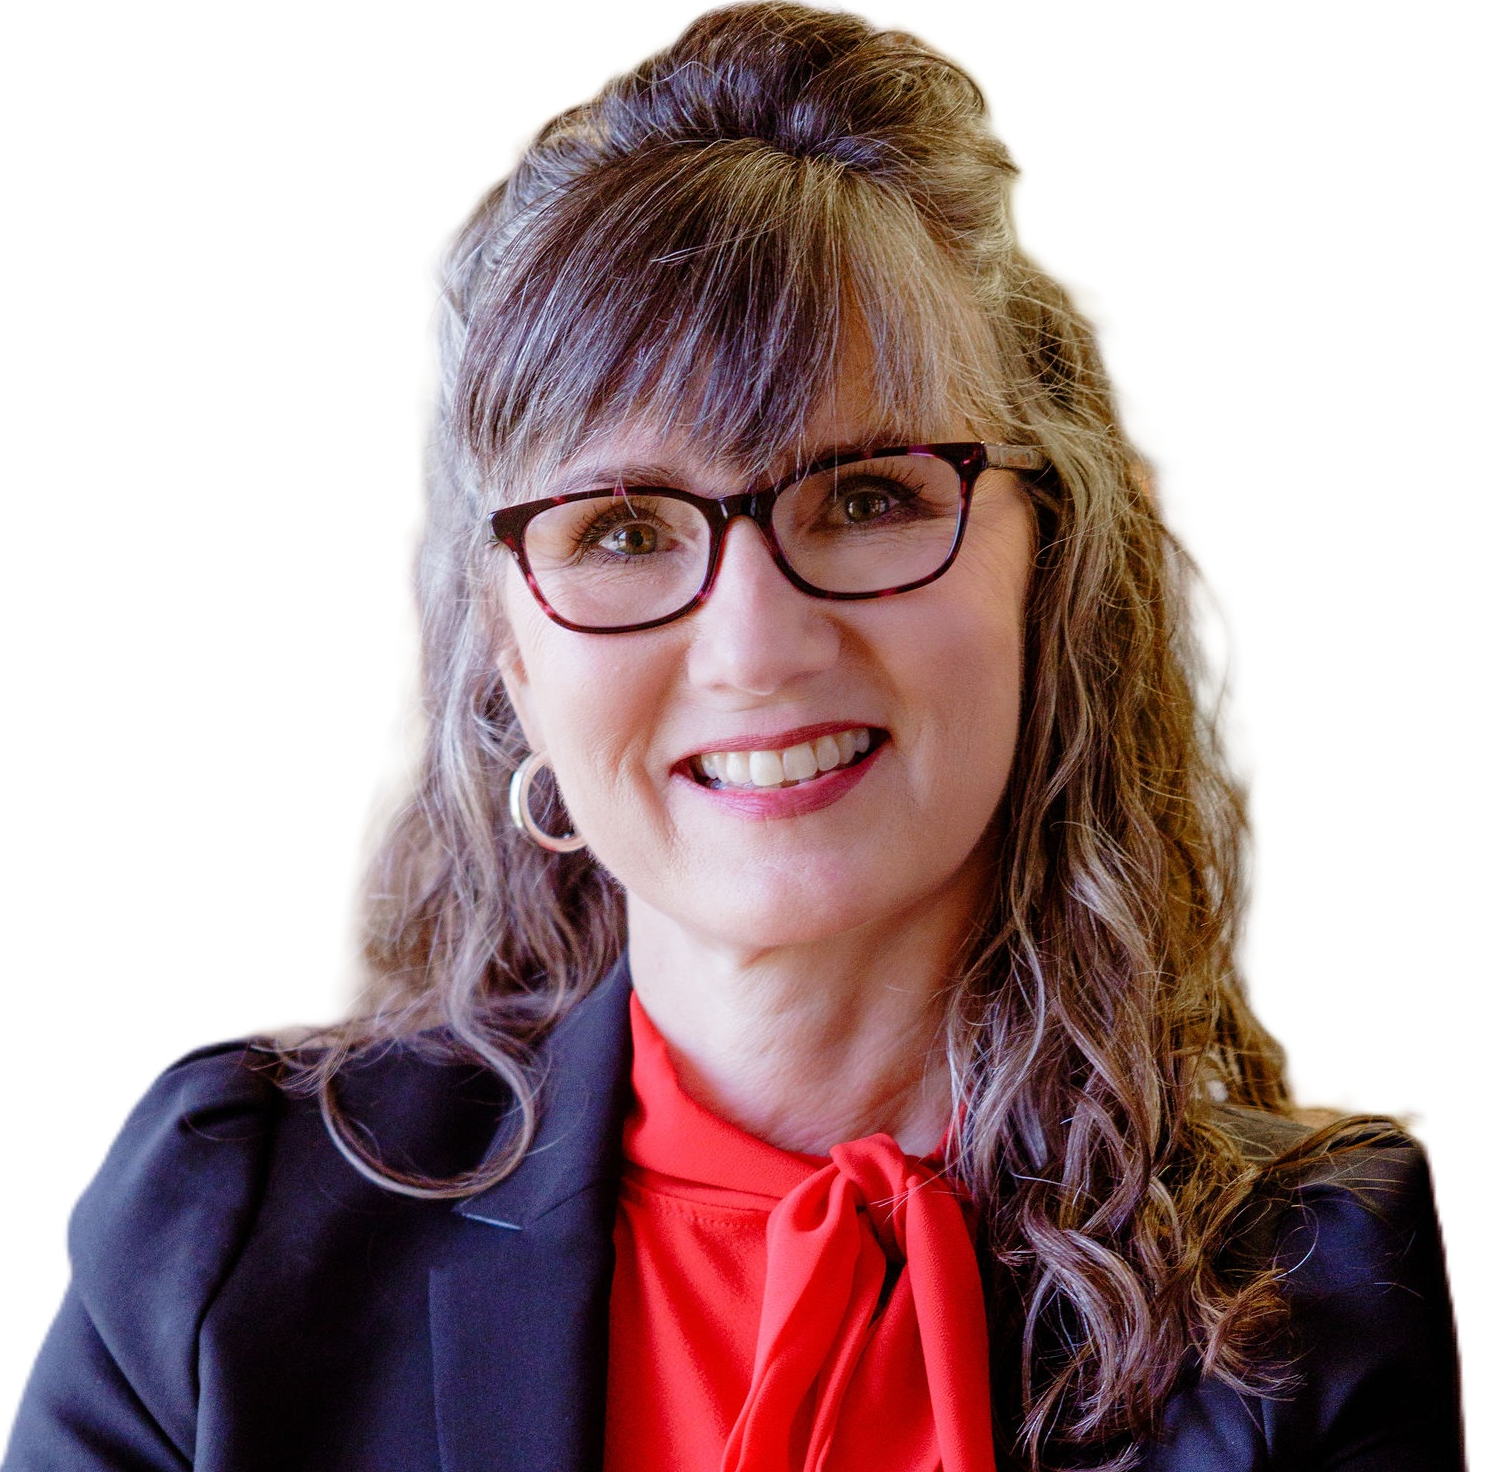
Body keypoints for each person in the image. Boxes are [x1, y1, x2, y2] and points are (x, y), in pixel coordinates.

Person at [2, 4, 1464, 1469]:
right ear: (510, 646)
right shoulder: (225, 1233)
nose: (758, 644)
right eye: (625, 528)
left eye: (873, 494)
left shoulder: (1315, 1293)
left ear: (1053, 567)